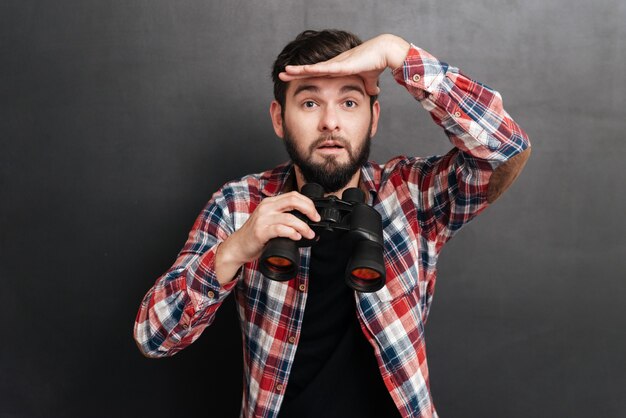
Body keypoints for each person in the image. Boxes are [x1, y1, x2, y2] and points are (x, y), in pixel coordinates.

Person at [133, 29, 531, 418]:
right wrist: (236, 248)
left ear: (373, 117)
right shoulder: (241, 205)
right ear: (279, 118)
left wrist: (399, 54)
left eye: (349, 103)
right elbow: (154, 336)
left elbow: (504, 146)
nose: (330, 123)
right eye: (309, 103)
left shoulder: (410, 194)